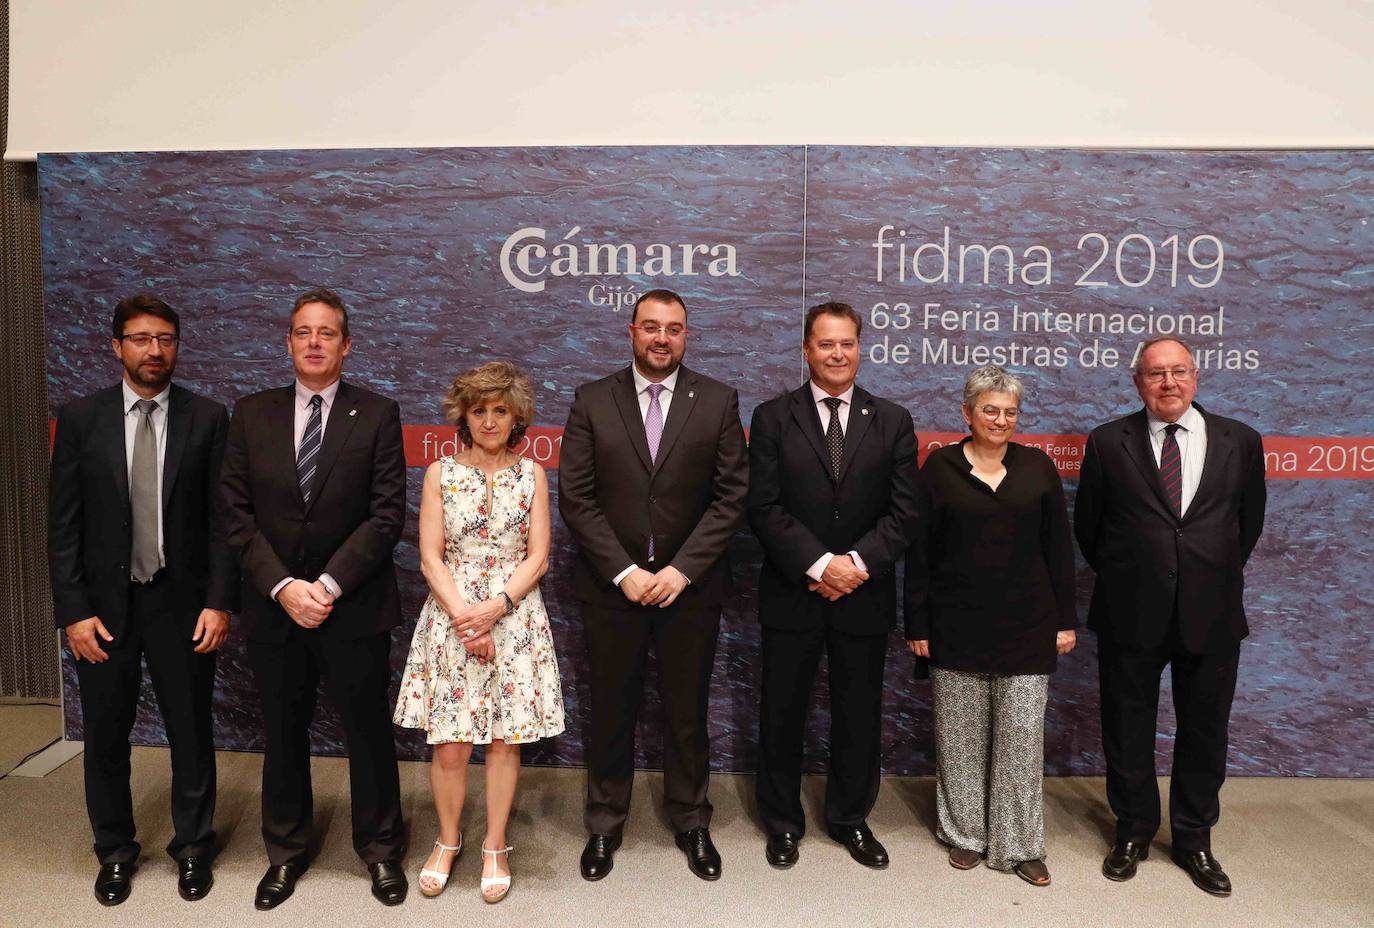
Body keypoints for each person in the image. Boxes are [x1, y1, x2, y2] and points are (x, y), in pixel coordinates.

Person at [219, 288, 409, 909]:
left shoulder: (378, 413)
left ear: (346, 345)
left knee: (367, 733)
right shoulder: (250, 414)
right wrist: (282, 587)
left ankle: (381, 851)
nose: (315, 342)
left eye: (326, 333)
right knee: (283, 730)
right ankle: (286, 852)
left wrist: (325, 586)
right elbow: (236, 513)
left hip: (350, 606)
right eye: (303, 332)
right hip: (275, 607)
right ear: (289, 342)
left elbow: (385, 518)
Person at [48, 294, 236, 906]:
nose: (154, 350)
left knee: (190, 731)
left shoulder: (208, 418)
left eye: (166, 339)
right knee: (105, 734)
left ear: (177, 346)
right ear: (117, 346)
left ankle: (193, 848)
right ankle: (115, 851)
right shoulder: (81, 419)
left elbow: (222, 524)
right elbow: (64, 526)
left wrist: (218, 601)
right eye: (141, 339)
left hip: (182, 606)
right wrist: (72, 612)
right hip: (103, 609)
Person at [559, 288, 748, 882]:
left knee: (686, 713)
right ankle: (604, 824)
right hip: (612, 589)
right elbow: (577, 497)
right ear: (631, 331)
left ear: (686, 335)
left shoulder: (717, 401)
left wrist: (677, 570)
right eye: (651, 327)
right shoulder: (592, 400)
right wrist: (625, 571)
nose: (661, 338)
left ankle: (691, 820)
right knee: (611, 710)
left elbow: (730, 497)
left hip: (686, 590)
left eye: (673, 329)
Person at [1076, 336, 1266, 897]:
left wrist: (1202, 571)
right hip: (1130, 611)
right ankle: (1132, 831)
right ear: (1138, 382)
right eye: (1156, 374)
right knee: (1127, 727)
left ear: (1196, 376)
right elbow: (1091, 528)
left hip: (1211, 612)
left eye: (1178, 372)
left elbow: (1246, 525)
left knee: (1205, 731)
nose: (1168, 383)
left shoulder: (1241, 440)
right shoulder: (1109, 442)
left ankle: (1193, 839)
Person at [748, 301, 920, 871]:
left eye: (847, 343)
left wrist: (855, 565)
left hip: (862, 596)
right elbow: (764, 507)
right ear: (806, 350)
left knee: (858, 713)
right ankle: (781, 821)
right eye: (826, 344)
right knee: (783, 712)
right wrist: (821, 565)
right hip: (793, 591)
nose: (837, 354)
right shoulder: (773, 417)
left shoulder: (892, 420)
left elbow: (903, 512)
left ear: (860, 347)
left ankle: (850, 818)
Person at [394, 361, 564, 903]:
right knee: (449, 744)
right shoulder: (439, 473)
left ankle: (494, 843)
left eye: (499, 410)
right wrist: (467, 618)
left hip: (514, 616)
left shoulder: (531, 474)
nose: (489, 420)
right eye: (479, 410)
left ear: (515, 416)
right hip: (450, 615)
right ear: (463, 416)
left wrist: (494, 608)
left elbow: (538, 558)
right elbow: (429, 556)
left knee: (502, 741)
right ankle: (448, 839)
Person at [903, 365, 1077, 886]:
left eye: (1009, 412)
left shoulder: (1039, 469)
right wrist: (918, 625)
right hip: (955, 626)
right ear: (967, 413)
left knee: (1021, 738)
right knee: (960, 740)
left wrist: (1065, 621)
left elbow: (1058, 552)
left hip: (1029, 626)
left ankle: (1019, 844)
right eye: (989, 410)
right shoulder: (938, 470)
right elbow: (919, 556)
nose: (1000, 420)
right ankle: (966, 836)